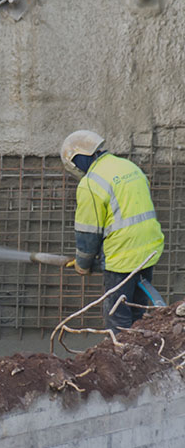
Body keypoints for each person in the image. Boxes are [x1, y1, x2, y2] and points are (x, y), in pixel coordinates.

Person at [60, 130, 164, 331]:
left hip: (122, 257)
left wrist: (83, 264)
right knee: (137, 312)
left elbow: (88, 233)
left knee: (117, 316)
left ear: (75, 160)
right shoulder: (127, 166)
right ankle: (140, 354)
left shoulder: (91, 183)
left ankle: (121, 356)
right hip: (149, 250)